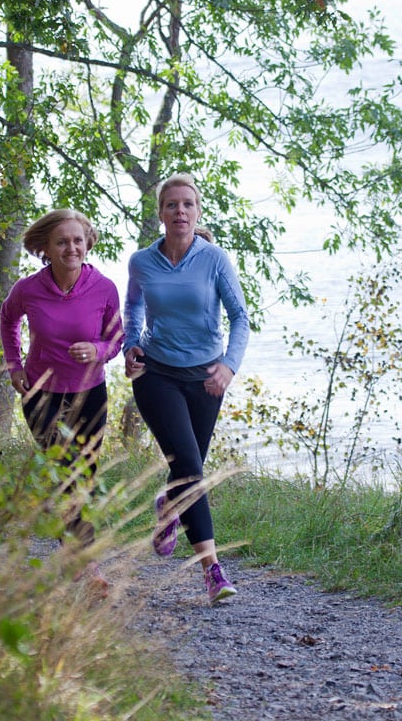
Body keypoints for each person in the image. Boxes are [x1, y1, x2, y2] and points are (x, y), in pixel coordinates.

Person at [123, 173, 250, 604]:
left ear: (198, 212)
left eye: (188, 205)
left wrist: (228, 367)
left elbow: (241, 318)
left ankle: (168, 505)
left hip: (205, 380)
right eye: (172, 205)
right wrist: (130, 344)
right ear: (160, 213)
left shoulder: (214, 259)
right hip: (156, 374)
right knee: (193, 471)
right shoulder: (141, 262)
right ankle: (212, 571)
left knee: (188, 468)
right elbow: (134, 306)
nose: (180, 211)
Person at [0, 209, 123, 596]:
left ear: (88, 243)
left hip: (90, 395)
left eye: (77, 240)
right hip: (41, 394)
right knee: (66, 473)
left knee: (82, 476)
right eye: (62, 241)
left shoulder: (104, 288)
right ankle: (88, 566)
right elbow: (8, 321)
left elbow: (117, 339)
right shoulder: (27, 289)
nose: (72, 247)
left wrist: (98, 349)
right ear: (46, 249)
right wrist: (13, 364)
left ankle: (73, 554)